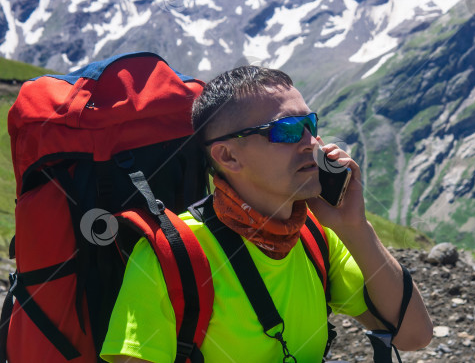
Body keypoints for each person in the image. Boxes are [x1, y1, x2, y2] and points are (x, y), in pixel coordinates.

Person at [100, 65, 433, 363]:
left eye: (310, 124)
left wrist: (354, 227)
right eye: (286, 130)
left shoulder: (316, 237)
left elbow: (414, 335)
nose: (312, 143)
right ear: (228, 156)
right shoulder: (169, 257)